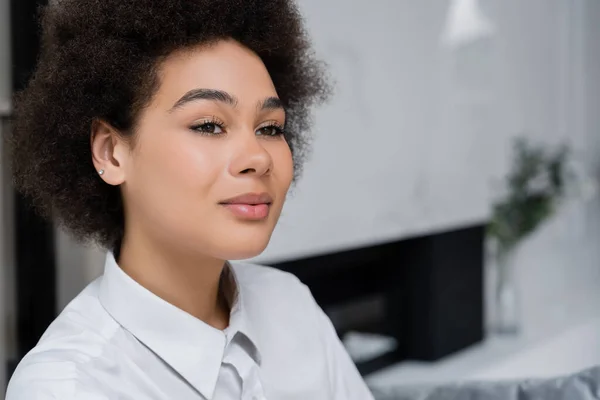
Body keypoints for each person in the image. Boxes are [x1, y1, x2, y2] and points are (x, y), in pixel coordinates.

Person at [5, 0, 374, 399]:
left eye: (269, 128)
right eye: (209, 125)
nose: (258, 158)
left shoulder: (290, 304)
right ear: (111, 152)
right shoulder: (67, 386)